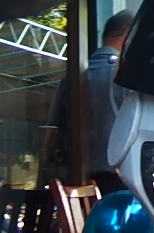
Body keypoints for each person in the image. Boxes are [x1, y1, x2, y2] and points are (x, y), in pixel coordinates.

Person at [44, 10, 135, 194]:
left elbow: (50, 147)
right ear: (127, 34)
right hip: (125, 185)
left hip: (80, 187)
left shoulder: (69, 81)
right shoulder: (129, 76)